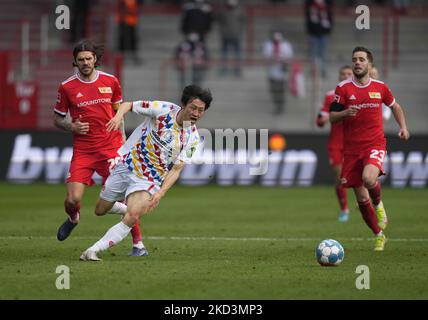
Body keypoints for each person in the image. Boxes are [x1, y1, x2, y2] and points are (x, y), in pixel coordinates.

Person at [79, 84, 213, 261]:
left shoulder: (193, 138)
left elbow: (177, 169)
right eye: (193, 108)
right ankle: (128, 208)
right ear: (183, 104)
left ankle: (93, 250)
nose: (196, 114)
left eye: (201, 110)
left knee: (133, 216)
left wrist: (160, 193)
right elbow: (128, 105)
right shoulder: (163, 110)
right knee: (100, 210)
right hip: (127, 165)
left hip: (149, 178)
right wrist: (118, 117)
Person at [53, 39, 147, 257]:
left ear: (95, 59)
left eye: (88, 58)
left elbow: (119, 114)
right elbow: (57, 119)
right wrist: (71, 125)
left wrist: (123, 144)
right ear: (75, 62)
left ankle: (138, 245)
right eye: (81, 60)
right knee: (72, 200)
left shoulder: (111, 81)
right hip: (84, 150)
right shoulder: (67, 87)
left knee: (124, 199)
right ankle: (73, 217)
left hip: (111, 147)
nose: (85, 62)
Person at [330, 46, 410, 251]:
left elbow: (395, 106)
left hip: (374, 143)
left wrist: (403, 127)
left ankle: (379, 204)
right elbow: (332, 116)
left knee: (368, 178)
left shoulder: (380, 87)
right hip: (352, 149)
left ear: (369, 64)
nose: (357, 62)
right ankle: (378, 235)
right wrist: (346, 112)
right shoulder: (343, 88)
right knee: (361, 197)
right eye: (354, 59)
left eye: (361, 59)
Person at [316, 65, 353, 222]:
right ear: (338, 76)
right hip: (336, 143)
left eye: (348, 74)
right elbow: (319, 120)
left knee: (363, 177)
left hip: (356, 142)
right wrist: (324, 119)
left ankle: (365, 201)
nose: (345, 76)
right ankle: (344, 209)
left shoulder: (360, 94)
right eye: (342, 74)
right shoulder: (331, 96)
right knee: (340, 177)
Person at [262, 31, 294, 115]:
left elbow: (289, 57)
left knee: (281, 90)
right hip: (272, 72)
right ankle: (276, 104)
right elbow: (265, 57)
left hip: (282, 72)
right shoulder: (268, 45)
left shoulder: (286, 46)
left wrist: (283, 60)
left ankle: (280, 106)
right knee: (273, 89)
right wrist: (272, 58)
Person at [216, 0, 246, 77]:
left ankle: (237, 70)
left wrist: (240, 31)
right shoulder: (223, 11)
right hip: (225, 35)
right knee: (224, 54)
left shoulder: (240, 10)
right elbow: (218, 20)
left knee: (237, 54)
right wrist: (222, 31)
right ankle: (224, 70)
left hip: (236, 35)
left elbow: (244, 21)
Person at [305, 0, 333, 78]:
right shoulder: (310, 3)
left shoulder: (327, 4)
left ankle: (323, 70)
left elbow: (330, 17)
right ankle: (313, 70)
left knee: (323, 53)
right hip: (313, 33)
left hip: (324, 33)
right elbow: (308, 18)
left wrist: (328, 30)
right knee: (313, 53)